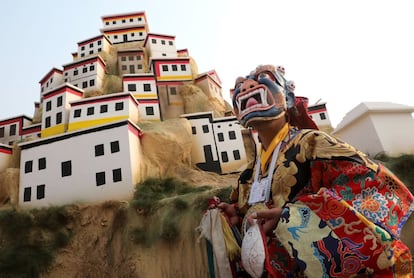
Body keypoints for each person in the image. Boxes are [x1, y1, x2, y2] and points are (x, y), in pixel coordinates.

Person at [214, 64, 413, 277]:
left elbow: (374, 186)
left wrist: (295, 217)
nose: (246, 86)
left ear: (287, 98)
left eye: (263, 77)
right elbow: (253, 211)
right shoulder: (249, 173)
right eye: (239, 86)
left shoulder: (312, 142)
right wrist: (237, 215)